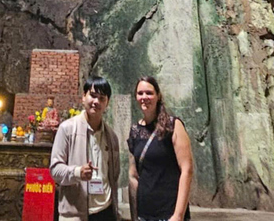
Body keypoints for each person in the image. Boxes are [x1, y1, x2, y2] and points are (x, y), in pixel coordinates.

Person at [50, 76, 120, 221]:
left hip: (106, 211)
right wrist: (77, 172)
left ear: (107, 103)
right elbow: (55, 170)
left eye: (102, 98)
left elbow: (114, 174)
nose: (96, 102)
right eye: (93, 96)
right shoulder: (67, 129)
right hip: (76, 214)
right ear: (83, 97)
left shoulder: (112, 137)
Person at [128, 76, 193, 221]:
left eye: (149, 93)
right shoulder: (135, 131)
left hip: (169, 212)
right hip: (144, 213)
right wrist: (134, 215)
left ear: (158, 96)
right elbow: (133, 177)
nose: (144, 97)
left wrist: (178, 215)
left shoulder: (173, 125)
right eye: (140, 93)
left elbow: (187, 170)